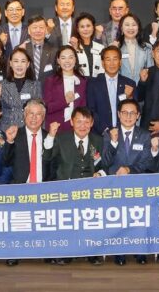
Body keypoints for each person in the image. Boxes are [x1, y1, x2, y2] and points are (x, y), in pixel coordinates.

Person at [98, 99, 156, 266]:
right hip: (115, 184)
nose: (128, 116)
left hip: (137, 183)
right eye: (125, 112)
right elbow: (105, 162)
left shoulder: (145, 135)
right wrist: (113, 142)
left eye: (132, 113)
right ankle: (120, 251)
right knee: (119, 218)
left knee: (138, 218)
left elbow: (147, 162)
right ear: (118, 114)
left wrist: (129, 169)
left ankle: (140, 251)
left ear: (138, 115)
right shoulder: (109, 134)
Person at [43, 107, 103, 265]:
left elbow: (103, 164)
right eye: (79, 122)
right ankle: (67, 252)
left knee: (90, 221)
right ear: (71, 122)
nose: (83, 126)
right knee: (69, 222)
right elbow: (47, 157)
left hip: (90, 189)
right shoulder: (61, 139)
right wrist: (51, 136)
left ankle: (92, 253)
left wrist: (100, 174)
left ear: (92, 123)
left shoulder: (98, 140)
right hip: (66, 188)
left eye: (86, 122)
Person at [1, 99, 52, 267]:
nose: (34, 118)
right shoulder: (15, 134)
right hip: (21, 187)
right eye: (31, 114)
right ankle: (15, 252)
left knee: (44, 222)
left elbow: (53, 164)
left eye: (38, 114)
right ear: (24, 115)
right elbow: (5, 162)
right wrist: (9, 142)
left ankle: (47, 252)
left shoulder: (50, 137)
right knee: (19, 223)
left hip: (44, 188)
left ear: (43, 117)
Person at [86, 46, 136, 136]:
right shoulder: (93, 84)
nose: (112, 63)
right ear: (102, 63)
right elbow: (91, 110)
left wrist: (129, 97)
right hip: (100, 134)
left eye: (115, 59)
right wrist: (105, 130)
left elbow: (134, 111)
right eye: (108, 59)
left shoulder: (129, 83)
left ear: (120, 62)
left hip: (123, 134)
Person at [42, 46, 87, 133]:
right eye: (63, 58)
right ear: (58, 61)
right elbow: (47, 108)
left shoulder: (82, 81)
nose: (67, 61)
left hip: (77, 129)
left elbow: (84, 107)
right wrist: (65, 101)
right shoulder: (50, 80)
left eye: (71, 57)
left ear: (75, 59)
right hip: (55, 127)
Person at [0, 48, 41, 129]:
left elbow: (40, 111)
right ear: (10, 63)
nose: (19, 65)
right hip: (8, 129)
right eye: (16, 61)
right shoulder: (2, 85)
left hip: (28, 129)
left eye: (23, 61)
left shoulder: (35, 85)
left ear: (28, 64)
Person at [114, 14, 152, 84]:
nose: (130, 28)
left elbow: (151, 70)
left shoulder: (147, 47)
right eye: (127, 25)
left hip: (141, 87)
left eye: (134, 25)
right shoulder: (115, 47)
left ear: (138, 28)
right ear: (121, 28)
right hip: (121, 87)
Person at [19, 16, 57, 82]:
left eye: (41, 27)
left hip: (47, 87)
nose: (38, 30)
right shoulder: (21, 49)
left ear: (46, 30)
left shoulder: (54, 51)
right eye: (34, 27)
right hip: (25, 87)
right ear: (29, 31)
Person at [71, 12, 104, 77]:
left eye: (88, 26)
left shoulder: (101, 47)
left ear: (93, 27)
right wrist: (74, 50)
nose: (85, 29)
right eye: (82, 27)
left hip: (97, 81)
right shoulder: (71, 46)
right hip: (78, 81)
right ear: (77, 29)